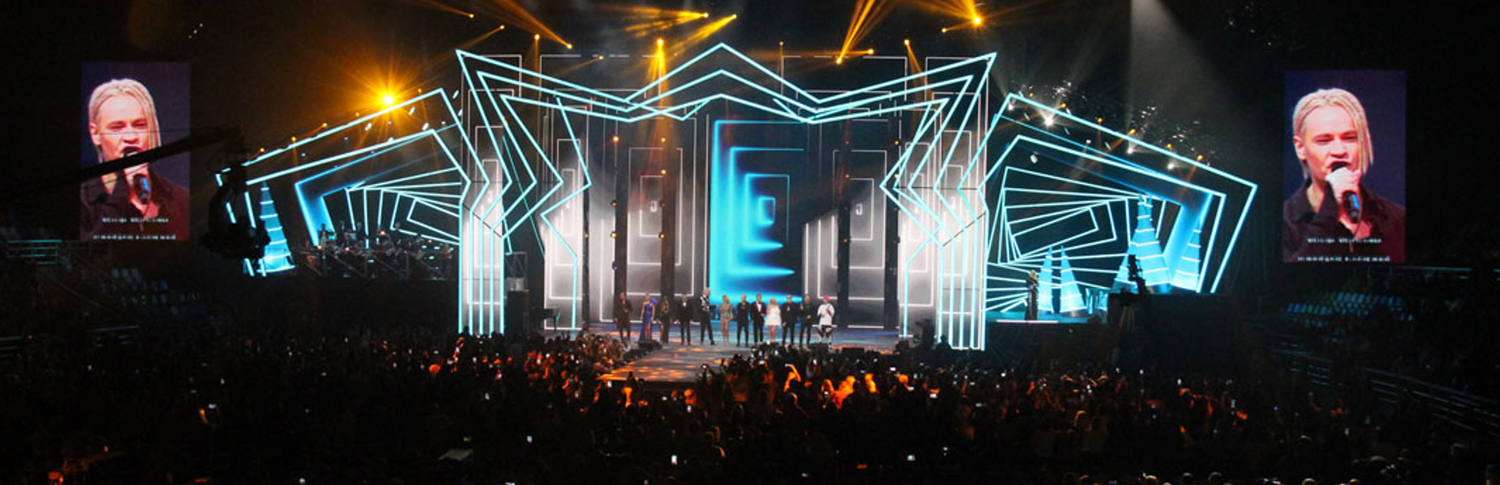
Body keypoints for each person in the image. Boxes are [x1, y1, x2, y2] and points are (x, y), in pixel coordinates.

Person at [1283, 87, 1406, 263]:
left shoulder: (1397, 218)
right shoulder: (1284, 222)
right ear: (1300, 148)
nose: (1339, 151)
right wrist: (1329, 209)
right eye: (1324, 141)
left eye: (1349, 138)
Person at [80, 78, 190, 241]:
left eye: (140, 125)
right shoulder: (82, 200)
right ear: (95, 134)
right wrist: (121, 190)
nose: (131, 137)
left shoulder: (181, 198)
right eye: (117, 127)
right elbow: (93, 247)